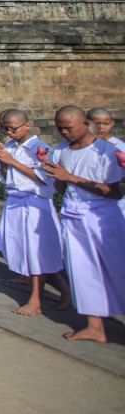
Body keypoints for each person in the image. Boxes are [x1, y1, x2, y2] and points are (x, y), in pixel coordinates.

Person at [42, 106, 125, 343]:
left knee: (118, 269)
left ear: (84, 124)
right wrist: (57, 177)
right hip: (72, 216)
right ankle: (94, 326)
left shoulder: (106, 152)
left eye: (68, 127)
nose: (64, 132)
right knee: (82, 272)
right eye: (60, 127)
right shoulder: (59, 152)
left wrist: (72, 177)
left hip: (103, 217)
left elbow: (114, 193)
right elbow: (60, 188)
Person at [0, 109, 69, 316]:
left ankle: (36, 299)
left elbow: (44, 177)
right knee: (23, 249)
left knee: (37, 252)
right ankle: (62, 289)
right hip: (15, 201)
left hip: (35, 203)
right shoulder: (10, 147)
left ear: (26, 125)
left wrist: (12, 161)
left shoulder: (41, 148)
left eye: (13, 128)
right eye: (6, 128)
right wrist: (1, 160)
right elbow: (5, 176)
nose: (9, 132)